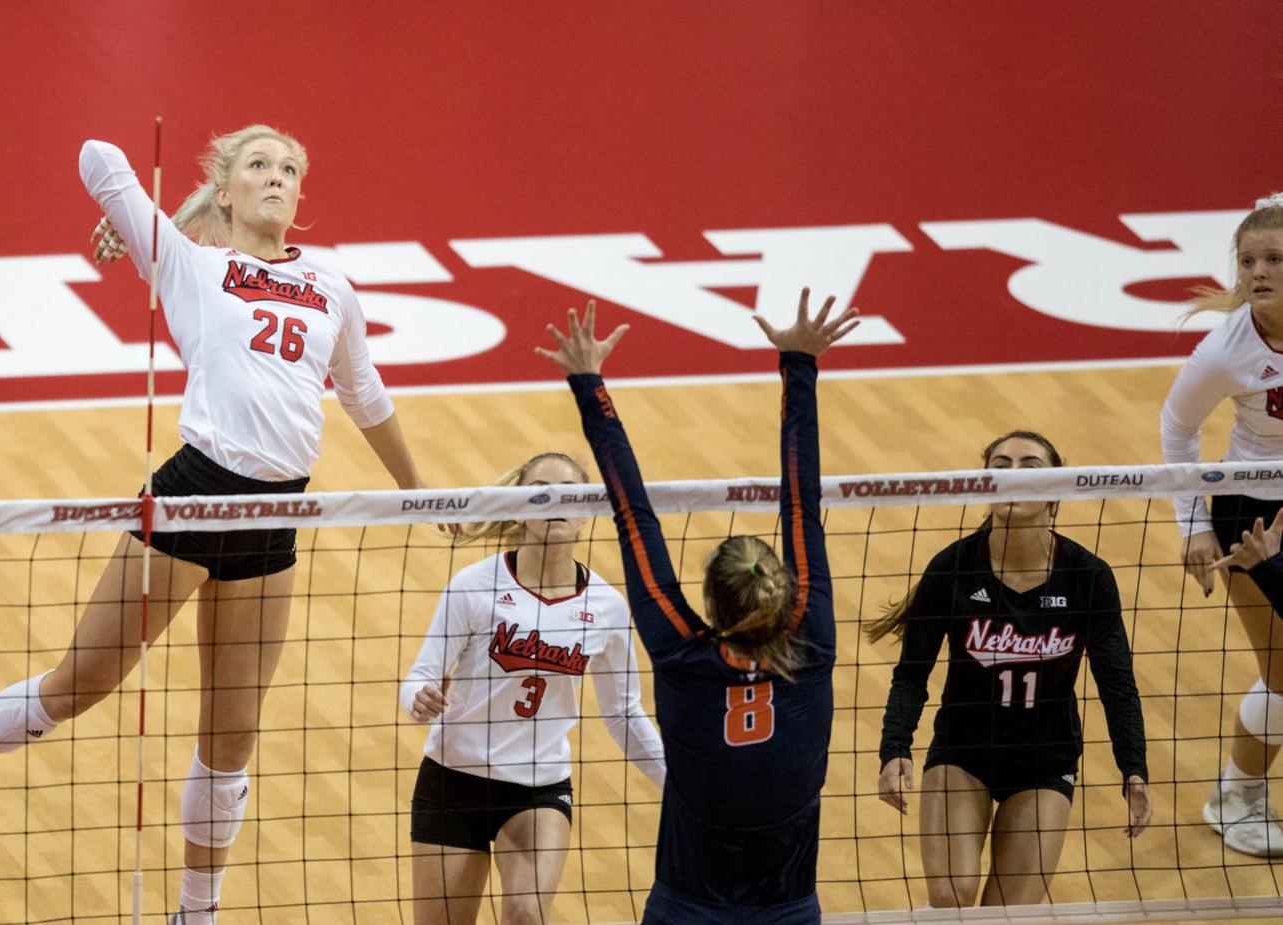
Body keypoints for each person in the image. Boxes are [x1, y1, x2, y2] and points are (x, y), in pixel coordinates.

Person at [0, 125, 431, 925]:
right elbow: (93, 155)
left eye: (291, 167)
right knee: (78, 685)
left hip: (274, 517)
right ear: (226, 190)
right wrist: (160, 225)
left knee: (233, 736)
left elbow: (365, 395)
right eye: (258, 165)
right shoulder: (194, 265)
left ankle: (196, 913)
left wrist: (422, 493)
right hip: (192, 498)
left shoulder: (333, 287)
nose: (278, 177)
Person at [535, 292, 852, 924]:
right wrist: (800, 363)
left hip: (688, 906)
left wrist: (589, 385)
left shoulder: (683, 650)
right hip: (786, 907)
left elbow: (631, 515)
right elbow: (801, 503)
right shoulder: (810, 644)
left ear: (710, 601)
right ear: (786, 589)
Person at [868, 431, 1151, 907]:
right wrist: (894, 749)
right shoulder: (953, 568)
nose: (1013, 475)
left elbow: (1117, 683)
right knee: (952, 897)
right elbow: (911, 674)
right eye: (1001, 464)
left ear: (1056, 489)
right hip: (963, 752)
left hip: (1045, 761)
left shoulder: (1088, 577)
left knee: (1008, 914)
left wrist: (1133, 769)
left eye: (1030, 466)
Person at [399, 452, 665, 924]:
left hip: (537, 789)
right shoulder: (474, 587)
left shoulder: (606, 607)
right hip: (452, 780)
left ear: (585, 513)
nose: (553, 503)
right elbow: (421, 676)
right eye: (540, 490)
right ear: (520, 505)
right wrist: (416, 700)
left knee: (526, 914)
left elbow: (624, 714)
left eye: (568, 494)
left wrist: (684, 784)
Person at [1161, 192, 1283, 857]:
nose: (1256, 272)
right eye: (1247, 260)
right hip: (1253, 512)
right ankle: (1236, 795)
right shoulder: (1225, 350)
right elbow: (1177, 428)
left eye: (1273, 259)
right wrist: (1192, 527)